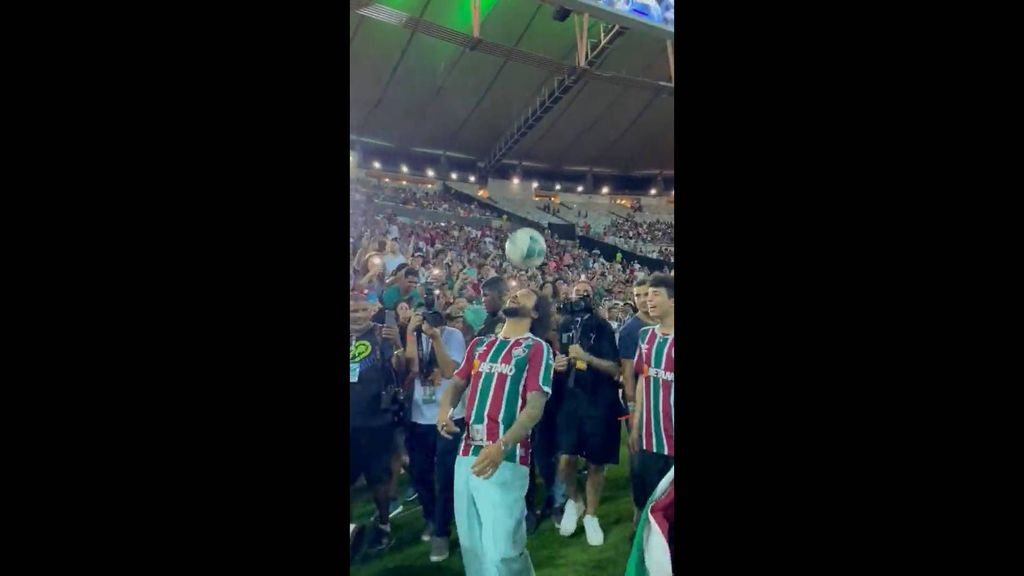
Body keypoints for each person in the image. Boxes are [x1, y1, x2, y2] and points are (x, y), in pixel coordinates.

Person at [436, 288, 556, 576]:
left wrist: (502, 445)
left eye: (525, 296)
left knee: (504, 549)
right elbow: (456, 384)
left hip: (507, 456)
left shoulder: (537, 348)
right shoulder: (480, 344)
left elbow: (534, 407)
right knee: (473, 545)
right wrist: (444, 413)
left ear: (536, 312)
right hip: (467, 453)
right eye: (514, 292)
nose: (515, 296)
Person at [552, 281, 622, 546]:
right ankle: (575, 501)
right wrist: (558, 364)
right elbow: (560, 360)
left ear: (593, 298)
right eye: (576, 291)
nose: (580, 295)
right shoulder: (564, 325)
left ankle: (592, 516)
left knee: (595, 463)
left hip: (598, 403)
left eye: (586, 292)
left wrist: (587, 358)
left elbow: (614, 369)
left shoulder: (602, 327)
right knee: (565, 460)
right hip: (570, 402)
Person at [401, 308, 468, 563]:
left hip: (450, 415)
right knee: (420, 472)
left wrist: (436, 338)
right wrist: (410, 333)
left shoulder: (453, 335)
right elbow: (412, 366)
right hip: (420, 415)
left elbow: (451, 370)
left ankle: (441, 530)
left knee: (445, 475)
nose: (429, 323)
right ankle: (431, 517)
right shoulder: (414, 335)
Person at [349, 292, 407, 554]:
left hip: (376, 421)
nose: (358, 315)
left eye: (363, 311)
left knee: (378, 479)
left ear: (371, 311)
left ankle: (383, 525)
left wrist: (396, 345)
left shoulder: (381, 333)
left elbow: (400, 368)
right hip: (351, 421)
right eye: (353, 311)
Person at [628, 273, 675, 523]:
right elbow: (643, 379)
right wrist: (635, 427)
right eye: (646, 295)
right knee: (650, 501)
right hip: (649, 438)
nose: (648, 300)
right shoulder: (646, 337)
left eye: (655, 295)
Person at [617, 278, 656, 526]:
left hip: (662, 401)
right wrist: (632, 410)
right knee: (639, 459)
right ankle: (638, 510)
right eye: (638, 295)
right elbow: (628, 374)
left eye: (646, 294)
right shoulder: (631, 330)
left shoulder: (664, 324)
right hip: (639, 403)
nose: (642, 300)